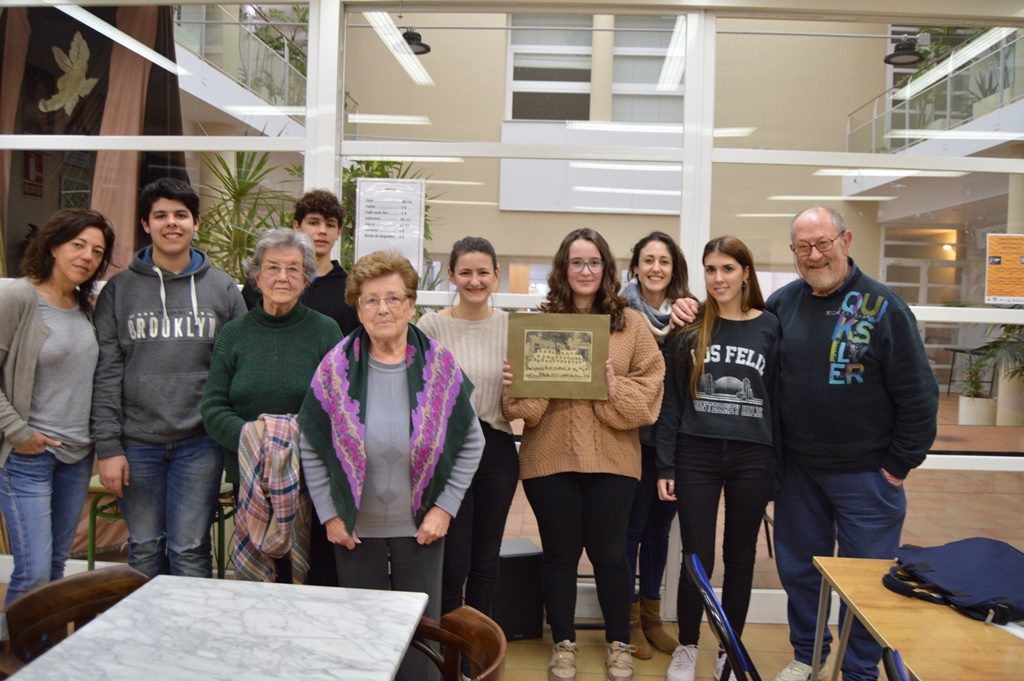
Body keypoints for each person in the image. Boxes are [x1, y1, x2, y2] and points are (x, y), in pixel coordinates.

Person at [767, 207, 938, 681]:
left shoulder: (884, 308)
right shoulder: (782, 304)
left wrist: (900, 463)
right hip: (798, 471)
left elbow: (919, 395)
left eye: (823, 243)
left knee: (867, 582)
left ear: (845, 240)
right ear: (794, 252)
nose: (814, 255)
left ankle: (858, 670)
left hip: (867, 475)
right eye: (804, 247)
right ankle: (809, 655)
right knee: (801, 572)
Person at [298, 250, 484, 681]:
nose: (383, 309)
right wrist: (329, 514)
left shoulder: (439, 365)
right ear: (358, 307)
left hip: (421, 527)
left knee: (422, 640)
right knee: (363, 640)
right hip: (354, 530)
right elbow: (312, 444)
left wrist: (444, 508)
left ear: (411, 305)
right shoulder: (335, 369)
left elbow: (472, 441)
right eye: (371, 300)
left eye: (393, 298)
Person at [502, 228, 666, 681]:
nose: (585, 270)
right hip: (549, 458)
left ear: (606, 268)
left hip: (613, 460)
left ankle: (618, 643)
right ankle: (563, 644)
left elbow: (650, 397)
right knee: (559, 553)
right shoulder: (538, 323)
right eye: (576, 262)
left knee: (611, 553)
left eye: (594, 262)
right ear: (563, 269)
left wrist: (610, 386)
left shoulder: (630, 324)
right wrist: (524, 381)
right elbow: (518, 408)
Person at [92, 178, 246, 579]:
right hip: (136, 443)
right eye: (161, 215)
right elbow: (106, 371)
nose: (171, 223)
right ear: (146, 224)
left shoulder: (222, 288)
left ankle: (189, 624)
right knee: (144, 549)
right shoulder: (119, 290)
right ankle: (147, 624)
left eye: (181, 215)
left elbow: (238, 369)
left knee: (190, 549)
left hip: (200, 443)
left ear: (196, 222)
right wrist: (108, 447)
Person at [655, 236, 780, 681]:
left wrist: (778, 468)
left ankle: (731, 647)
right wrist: (666, 464)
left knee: (741, 555)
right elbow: (672, 402)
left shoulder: (770, 326)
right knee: (697, 555)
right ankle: (688, 645)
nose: (718, 278)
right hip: (697, 453)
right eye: (710, 269)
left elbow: (778, 401)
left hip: (753, 455)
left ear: (745, 273)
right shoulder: (689, 326)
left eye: (727, 268)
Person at [201, 228, 343, 581]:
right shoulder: (234, 334)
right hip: (251, 479)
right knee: (262, 586)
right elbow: (214, 408)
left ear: (307, 279)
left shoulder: (326, 331)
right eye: (273, 267)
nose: (282, 277)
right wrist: (258, 440)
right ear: (256, 275)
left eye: (293, 269)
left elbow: (339, 408)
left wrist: (288, 442)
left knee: (315, 579)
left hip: (312, 481)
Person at [240, 189, 357, 586]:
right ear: (297, 226)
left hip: (320, 439)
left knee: (320, 548)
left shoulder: (348, 290)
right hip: (263, 445)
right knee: (270, 549)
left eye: (330, 224)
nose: (321, 231)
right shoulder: (259, 290)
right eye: (313, 222)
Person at [0, 208, 115, 604]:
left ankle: (45, 641)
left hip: (76, 456)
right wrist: (19, 433)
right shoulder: (17, 297)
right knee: (32, 572)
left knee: (54, 568)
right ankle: (16, 644)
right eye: (78, 245)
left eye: (97, 251)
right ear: (52, 246)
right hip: (28, 457)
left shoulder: (85, 307)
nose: (87, 257)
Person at [419, 236, 519, 617]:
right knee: (452, 560)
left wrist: (518, 384)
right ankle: (447, 644)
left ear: (496, 274)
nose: (474, 281)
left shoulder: (512, 327)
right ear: (451, 275)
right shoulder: (430, 326)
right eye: (465, 273)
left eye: (482, 272)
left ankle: (478, 644)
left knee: (486, 559)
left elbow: (524, 397)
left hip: (497, 448)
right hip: (448, 450)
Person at [621, 231, 692, 658]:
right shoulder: (619, 313)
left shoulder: (689, 315)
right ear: (635, 267)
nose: (655, 268)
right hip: (629, 439)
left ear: (673, 269)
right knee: (629, 530)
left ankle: (652, 616)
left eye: (663, 261)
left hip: (672, 444)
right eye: (648, 260)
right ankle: (627, 618)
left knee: (658, 531)